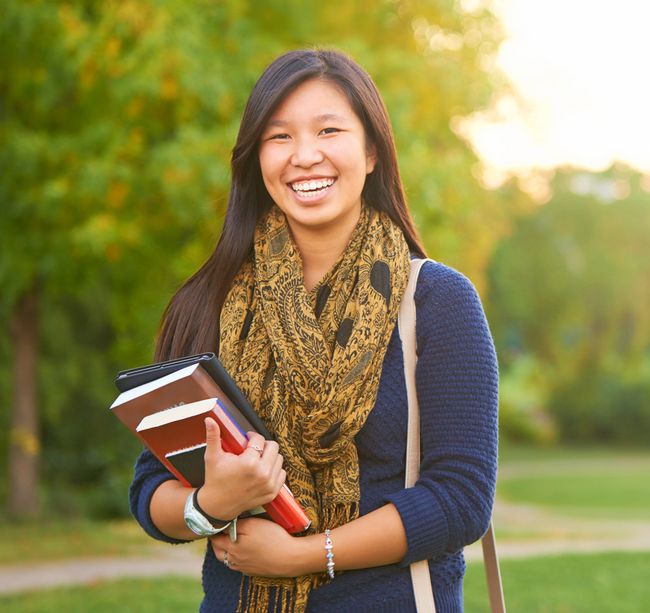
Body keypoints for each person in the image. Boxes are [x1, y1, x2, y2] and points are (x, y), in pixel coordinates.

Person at [128, 48, 499, 613]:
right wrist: (210, 502)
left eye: (329, 129)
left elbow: (461, 499)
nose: (305, 156)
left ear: (372, 150)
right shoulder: (207, 301)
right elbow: (150, 488)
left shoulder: (438, 301)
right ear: (256, 158)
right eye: (279, 137)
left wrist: (305, 555)